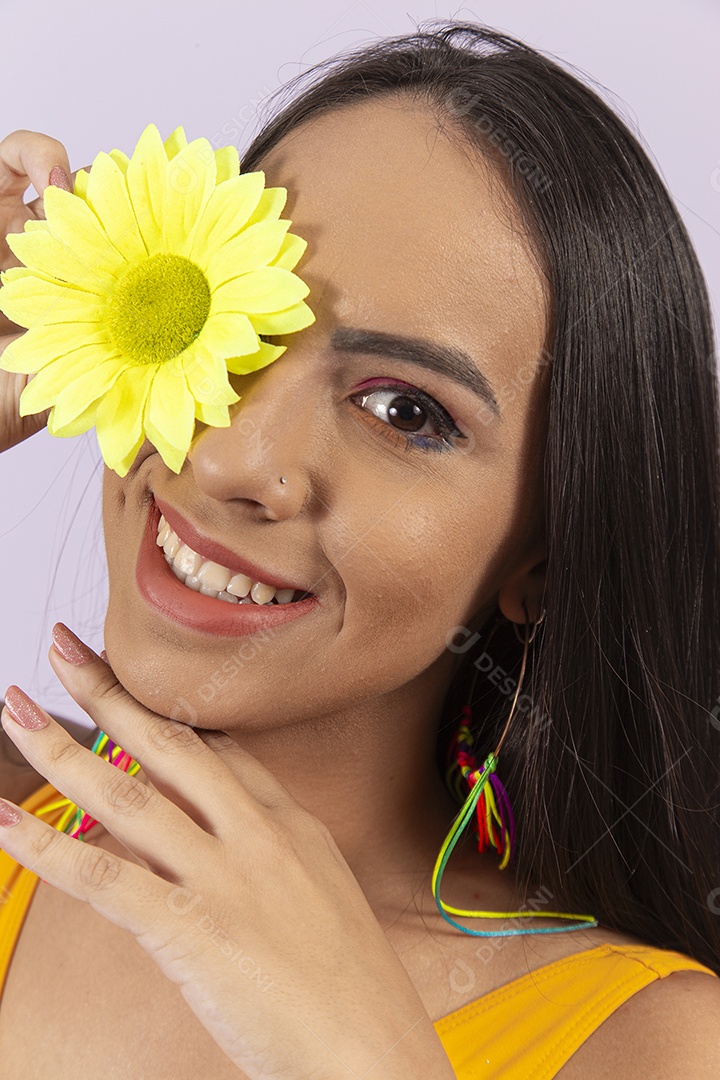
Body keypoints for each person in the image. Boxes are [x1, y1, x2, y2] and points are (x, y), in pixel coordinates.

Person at [1, 19, 719, 1079]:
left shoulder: (645, 1043)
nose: (236, 455)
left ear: (545, 561)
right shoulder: (22, 828)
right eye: (230, 320)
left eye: (406, 411)